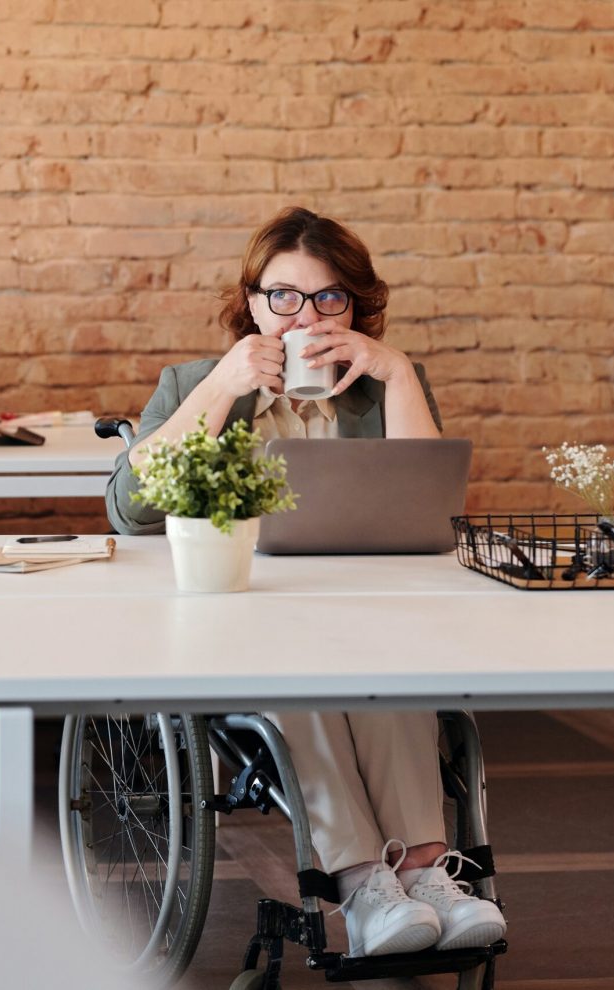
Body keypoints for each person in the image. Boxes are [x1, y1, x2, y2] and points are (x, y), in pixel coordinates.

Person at [105, 206, 506, 957]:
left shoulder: (383, 384)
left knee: (387, 682)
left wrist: (392, 373)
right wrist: (224, 386)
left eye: (329, 298)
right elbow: (131, 509)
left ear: (356, 307)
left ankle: (424, 876)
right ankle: (362, 888)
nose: (304, 316)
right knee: (309, 679)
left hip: (367, 618)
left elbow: (429, 509)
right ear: (252, 302)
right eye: (282, 296)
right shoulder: (193, 382)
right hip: (244, 625)